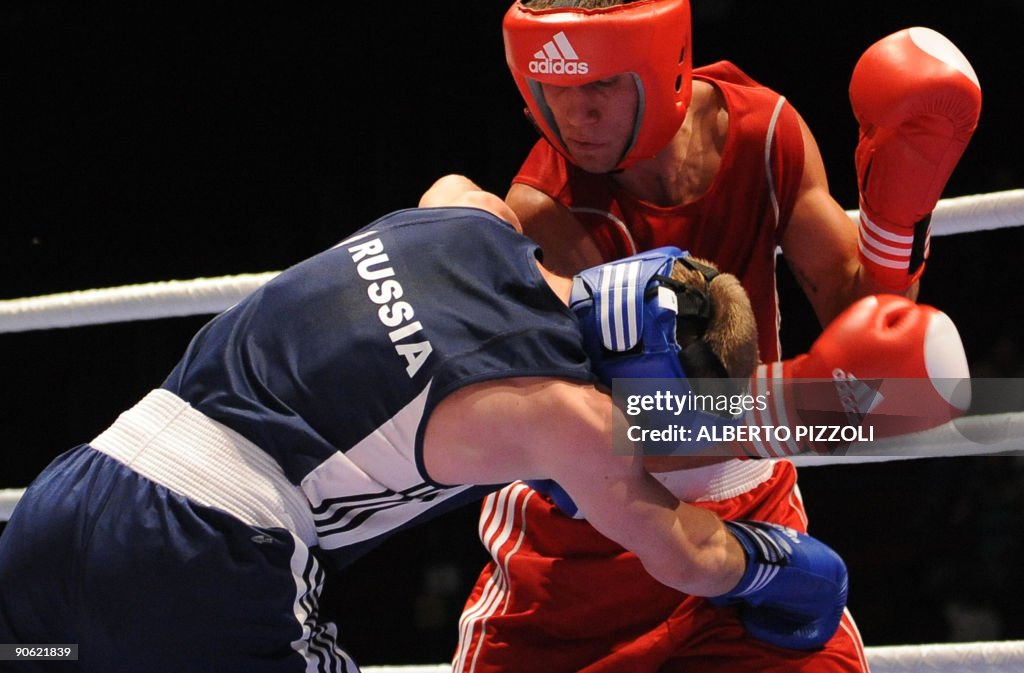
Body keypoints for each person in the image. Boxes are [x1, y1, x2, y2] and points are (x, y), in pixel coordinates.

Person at [0, 174, 853, 672]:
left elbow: (463, 189)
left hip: (75, 489)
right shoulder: (573, 416)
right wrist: (785, 565)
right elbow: (689, 556)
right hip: (212, 556)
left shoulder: (460, 218)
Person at [455, 0, 981, 673]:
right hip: (585, 556)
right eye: (553, 89)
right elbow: (615, 436)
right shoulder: (548, 209)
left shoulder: (765, 133)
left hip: (749, 522)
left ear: (663, 64)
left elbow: (865, 323)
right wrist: (802, 398)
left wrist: (897, 218)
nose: (574, 116)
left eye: (599, 85)